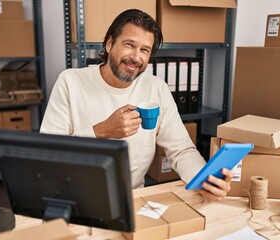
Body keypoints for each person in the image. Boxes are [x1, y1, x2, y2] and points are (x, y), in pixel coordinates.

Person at [40, 9, 233, 201]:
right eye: (129, 44)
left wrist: (204, 180)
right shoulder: (70, 82)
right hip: (76, 196)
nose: (135, 57)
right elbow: (48, 154)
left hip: (132, 198)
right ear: (109, 44)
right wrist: (100, 131)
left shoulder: (156, 88)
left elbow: (182, 151)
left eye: (144, 50)